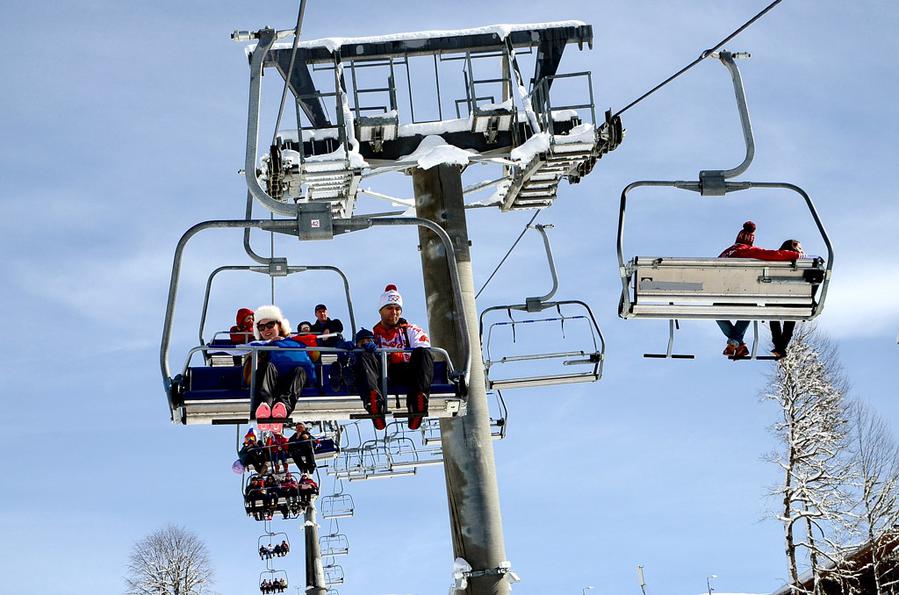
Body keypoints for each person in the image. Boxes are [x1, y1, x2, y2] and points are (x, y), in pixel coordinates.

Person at [715, 222, 802, 359]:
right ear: (750, 241)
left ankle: (737, 343)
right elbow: (773, 255)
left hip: (720, 297)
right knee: (750, 307)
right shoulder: (746, 251)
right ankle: (736, 343)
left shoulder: (724, 253)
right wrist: (796, 255)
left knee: (717, 311)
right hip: (742, 296)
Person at [354, 284, 433, 430]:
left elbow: (423, 346)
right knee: (364, 355)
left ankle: (418, 401)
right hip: (384, 374)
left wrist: (398, 355)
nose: (394, 312)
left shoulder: (410, 330)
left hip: (407, 371)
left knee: (424, 354)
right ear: (381, 311)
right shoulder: (373, 335)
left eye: (397, 309)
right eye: (389, 308)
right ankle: (374, 402)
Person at [245, 305, 317, 429]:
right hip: (271, 380)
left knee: (300, 370)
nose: (266, 330)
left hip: (292, 379)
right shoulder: (256, 347)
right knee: (267, 367)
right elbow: (248, 374)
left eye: (270, 325)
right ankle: (263, 407)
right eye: (261, 327)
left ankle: (282, 408)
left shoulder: (294, 342)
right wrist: (264, 350)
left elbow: (313, 356)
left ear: (279, 325)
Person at [769, 239, 805, 359]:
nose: (801, 250)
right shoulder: (802, 261)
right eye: (799, 248)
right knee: (790, 317)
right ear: (793, 247)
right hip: (795, 299)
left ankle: (780, 348)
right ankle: (780, 348)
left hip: (773, 299)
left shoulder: (773, 260)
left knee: (772, 314)